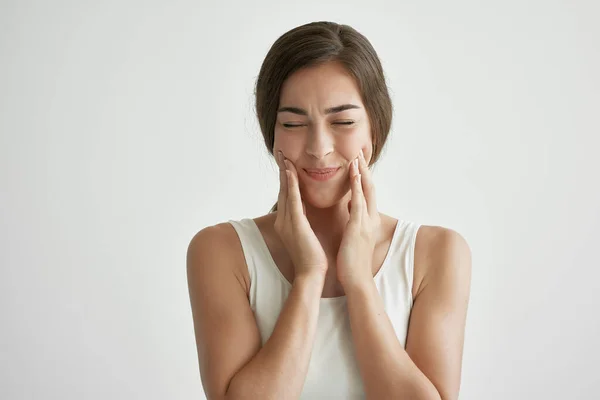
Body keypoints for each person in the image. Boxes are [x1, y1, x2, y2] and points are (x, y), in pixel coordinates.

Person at [187, 21, 471, 400]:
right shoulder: (221, 251)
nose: (318, 147)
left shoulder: (437, 253)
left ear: (375, 127)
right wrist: (309, 276)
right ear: (272, 133)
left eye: (343, 121)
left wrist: (358, 279)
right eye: (293, 123)